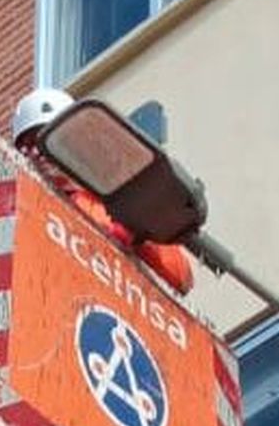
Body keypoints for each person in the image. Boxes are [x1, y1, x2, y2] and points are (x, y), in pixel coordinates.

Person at [10, 88, 196, 296]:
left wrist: (133, 233)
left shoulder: (115, 202)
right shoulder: (23, 216)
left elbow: (180, 276)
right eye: (27, 146)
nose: (37, 153)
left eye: (42, 140)